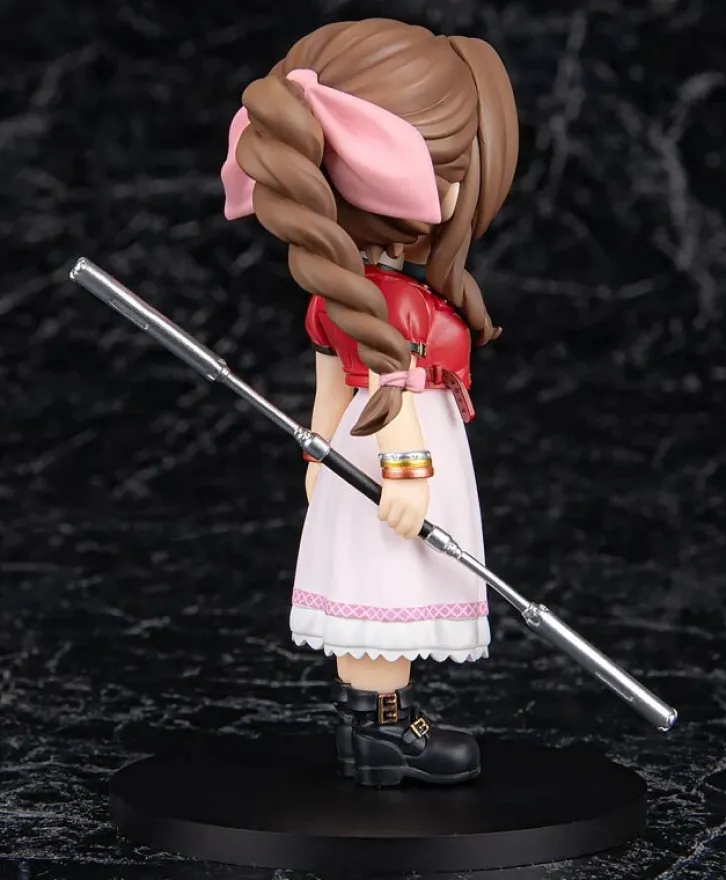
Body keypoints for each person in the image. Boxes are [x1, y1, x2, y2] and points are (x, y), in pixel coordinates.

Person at [220, 17, 518, 787]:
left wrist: (318, 455)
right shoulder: (381, 302)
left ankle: (377, 732)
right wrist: (406, 467)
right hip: (393, 455)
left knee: (389, 580)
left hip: (369, 452)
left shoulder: (361, 294)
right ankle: (383, 735)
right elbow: (385, 384)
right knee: (385, 583)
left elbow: (332, 385)